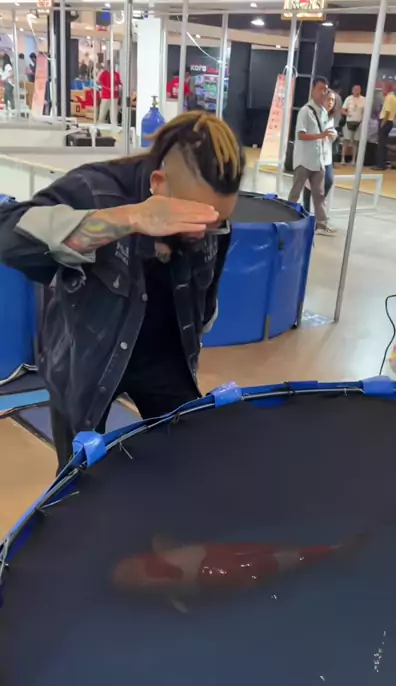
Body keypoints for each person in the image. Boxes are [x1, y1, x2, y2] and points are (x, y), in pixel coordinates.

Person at [0, 112, 244, 471]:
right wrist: (127, 219)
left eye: (216, 222)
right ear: (159, 184)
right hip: (86, 358)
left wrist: (202, 320)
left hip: (165, 355)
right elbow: (7, 234)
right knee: (80, 480)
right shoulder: (96, 189)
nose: (203, 232)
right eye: (192, 219)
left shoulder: (212, 221)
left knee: (188, 459)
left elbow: (208, 292)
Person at [288, 77, 337, 237]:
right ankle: (287, 219)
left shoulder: (324, 112)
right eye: (320, 89)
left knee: (319, 194)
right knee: (296, 192)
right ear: (313, 90)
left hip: (319, 160)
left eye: (325, 89)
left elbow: (327, 134)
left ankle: (321, 224)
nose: (323, 92)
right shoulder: (305, 111)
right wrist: (321, 135)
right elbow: (301, 135)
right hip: (304, 160)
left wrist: (328, 136)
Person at [303, 90, 336, 215]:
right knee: (309, 183)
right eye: (328, 99)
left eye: (333, 100)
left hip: (326, 156)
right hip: (313, 155)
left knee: (328, 180)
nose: (330, 102)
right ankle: (306, 210)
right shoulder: (312, 114)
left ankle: (318, 208)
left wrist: (333, 135)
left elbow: (330, 134)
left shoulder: (330, 117)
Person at [374, 81, 396, 170]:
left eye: (383, 88)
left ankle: (380, 165)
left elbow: (387, 112)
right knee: (383, 144)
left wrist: (382, 123)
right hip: (390, 121)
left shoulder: (389, 97)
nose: (382, 90)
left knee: (381, 144)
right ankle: (383, 164)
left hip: (385, 121)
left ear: (387, 88)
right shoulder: (394, 97)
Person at [341, 84, 366, 166]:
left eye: (358, 90)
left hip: (359, 123)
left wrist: (363, 119)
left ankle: (353, 160)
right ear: (352, 90)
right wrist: (347, 114)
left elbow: (365, 111)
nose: (356, 91)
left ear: (360, 90)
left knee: (355, 142)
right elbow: (343, 110)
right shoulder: (348, 99)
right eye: (355, 90)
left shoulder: (364, 100)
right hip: (349, 122)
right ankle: (343, 159)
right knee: (346, 140)